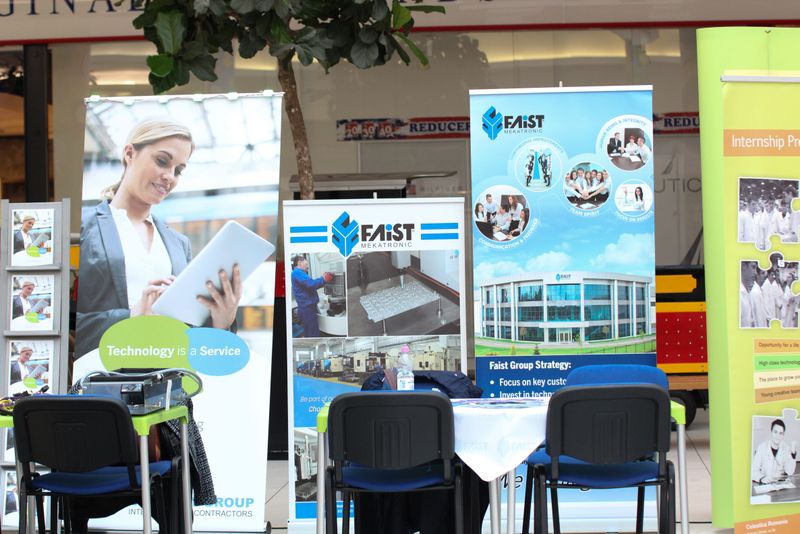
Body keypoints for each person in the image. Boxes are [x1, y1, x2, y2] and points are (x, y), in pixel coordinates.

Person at [76, 117, 242, 357]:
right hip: (102, 371)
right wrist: (130, 318)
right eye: (162, 161)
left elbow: (191, 330)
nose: (170, 176)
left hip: (171, 372)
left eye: (178, 170)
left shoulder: (179, 243)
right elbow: (63, 322)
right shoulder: (84, 227)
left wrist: (221, 322)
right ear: (129, 154)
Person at [291, 255, 333, 337]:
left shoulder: (297, 273)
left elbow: (310, 283)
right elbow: (311, 284)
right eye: (306, 264)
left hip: (306, 308)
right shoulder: (297, 272)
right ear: (299, 263)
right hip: (307, 310)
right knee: (313, 333)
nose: (308, 267)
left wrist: (322, 278)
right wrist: (323, 279)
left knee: (309, 331)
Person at [752, 419, 797, 484]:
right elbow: (753, 471)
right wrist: (762, 478)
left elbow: (790, 472)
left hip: (779, 485)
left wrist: (793, 454)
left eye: (780, 433)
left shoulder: (786, 448)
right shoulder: (762, 447)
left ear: (783, 435)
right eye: (775, 432)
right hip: (764, 485)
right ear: (771, 432)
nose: (777, 436)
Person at [741, 261, 768, 328]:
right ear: (743, 266)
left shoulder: (755, 290)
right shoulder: (755, 292)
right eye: (753, 267)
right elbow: (758, 316)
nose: (755, 273)